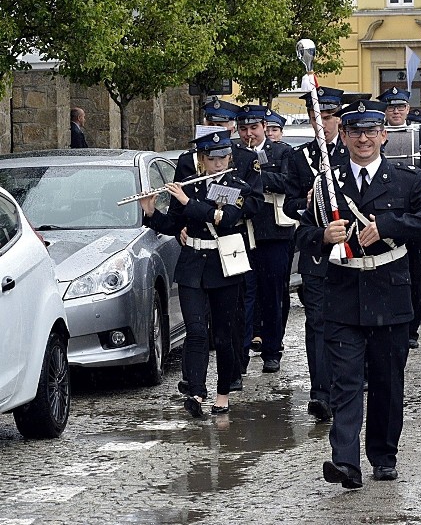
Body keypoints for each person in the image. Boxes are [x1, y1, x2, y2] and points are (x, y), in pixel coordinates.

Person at [295, 99, 421, 489]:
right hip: (343, 292)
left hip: (389, 293)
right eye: (354, 132)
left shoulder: (407, 179)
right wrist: (321, 236)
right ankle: (345, 462)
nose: (363, 139)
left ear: (383, 135)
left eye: (370, 132)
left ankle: (383, 455)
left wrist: (389, 224)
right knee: (345, 383)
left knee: (386, 382)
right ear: (343, 136)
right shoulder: (326, 184)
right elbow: (302, 233)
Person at [139, 131, 262, 416]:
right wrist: (150, 212)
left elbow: (228, 219)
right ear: (202, 159)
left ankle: (222, 393)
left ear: (229, 158)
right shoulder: (190, 187)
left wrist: (186, 202)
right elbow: (172, 225)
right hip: (192, 264)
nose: (217, 164)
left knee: (222, 334)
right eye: (211, 158)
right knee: (195, 331)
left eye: (222, 158)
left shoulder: (237, 187)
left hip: (224, 265)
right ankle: (195, 391)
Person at [283, 86, 347, 422]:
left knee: (350, 320)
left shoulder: (352, 153)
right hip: (317, 252)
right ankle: (320, 392)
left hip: (352, 250)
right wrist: (305, 203)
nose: (321, 123)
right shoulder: (300, 157)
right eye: (315, 118)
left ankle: (348, 383)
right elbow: (290, 204)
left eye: (327, 117)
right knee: (317, 322)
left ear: (338, 118)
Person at [235, 105, 294, 374]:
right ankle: (241, 355)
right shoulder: (233, 154)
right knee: (244, 296)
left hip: (274, 232)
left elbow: (291, 183)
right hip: (242, 232)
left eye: (254, 128)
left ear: (264, 127)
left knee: (273, 295)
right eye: (244, 129)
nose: (249, 134)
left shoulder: (281, 152)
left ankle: (272, 349)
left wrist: (256, 175)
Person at [377, 86, 421, 350]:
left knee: (416, 270)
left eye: (400, 107)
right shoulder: (377, 133)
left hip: (413, 209)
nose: (396, 111)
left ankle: (412, 326)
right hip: (382, 209)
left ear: (408, 109)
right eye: (391, 108)